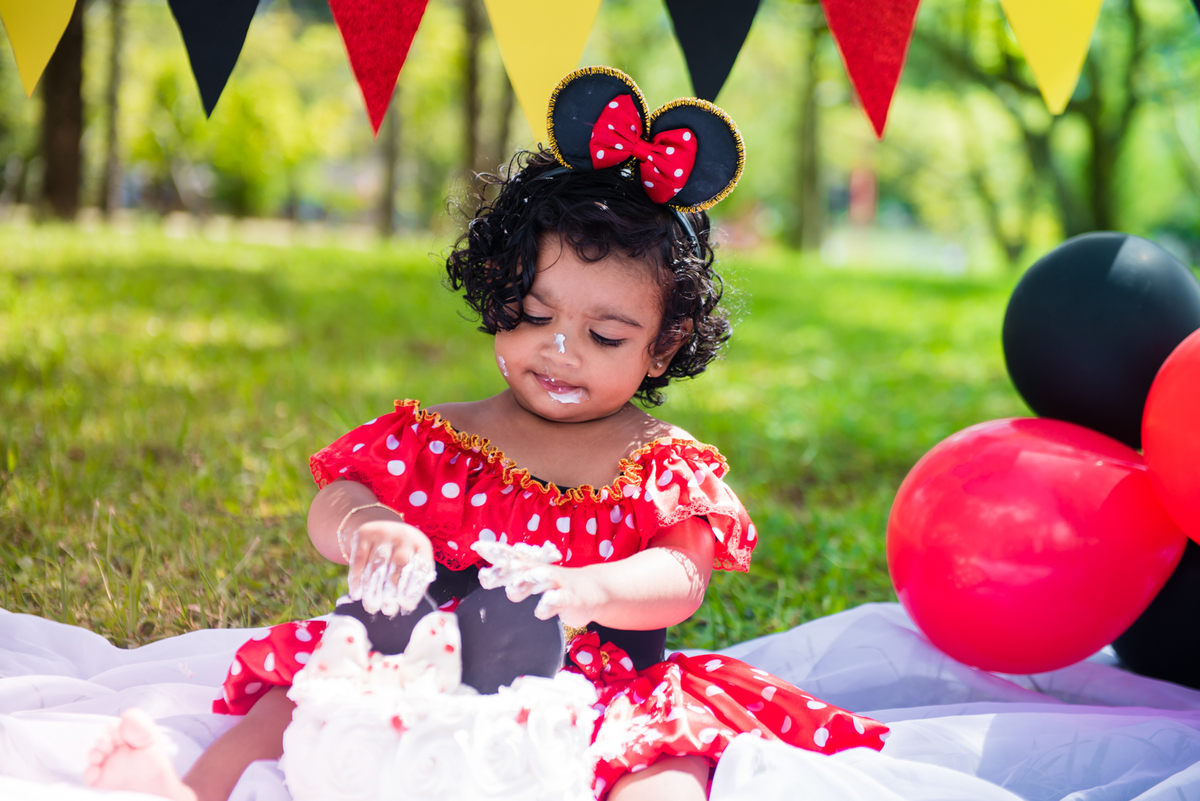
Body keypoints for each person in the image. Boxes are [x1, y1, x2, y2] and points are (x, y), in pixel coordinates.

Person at [83, 67, 887, 801]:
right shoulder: (443, 436)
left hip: (597, 684)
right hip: (419, 661)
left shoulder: (660, 462)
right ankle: (185, 791)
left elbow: (683, 575)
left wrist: (589, 588)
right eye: (534, 315)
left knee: (665, 759)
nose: (561, 350)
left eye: (606, 335)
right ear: (500, 295)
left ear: (663, 345)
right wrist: (368, 526)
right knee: (298, 696)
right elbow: (337, 497)